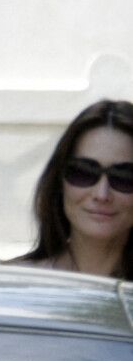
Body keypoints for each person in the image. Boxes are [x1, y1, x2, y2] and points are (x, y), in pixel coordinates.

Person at [11, 99, 133, 279]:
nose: (102, 194)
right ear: (59, 183)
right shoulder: (12, 286)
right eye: (84, 172)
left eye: (124, 177)